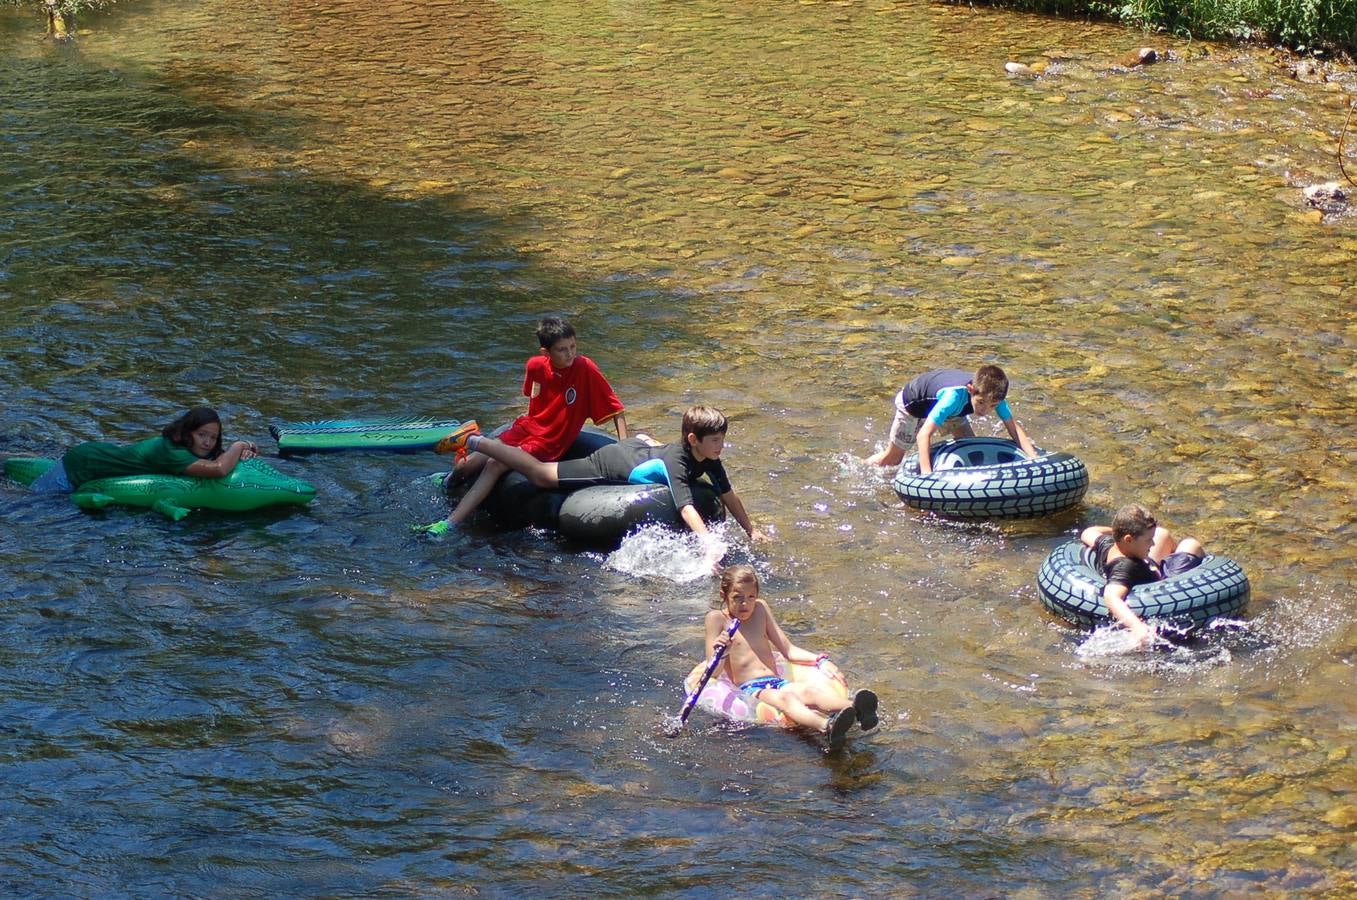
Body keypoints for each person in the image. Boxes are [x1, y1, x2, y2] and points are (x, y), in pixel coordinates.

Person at [431, 405, 769, 568]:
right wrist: (708, 542)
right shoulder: (678, 462)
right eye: (715, 441)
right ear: (694, 440)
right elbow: (684, 505)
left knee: (645, 447)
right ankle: (474, 441)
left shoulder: (709, 457)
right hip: (611, 462)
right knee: (539, 475)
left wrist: (751, 531)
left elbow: (727, 492)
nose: (721, 446)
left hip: (641, 450)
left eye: (722, 439)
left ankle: (642, 438)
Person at [420, 316, 626, 535]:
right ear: (546, 353)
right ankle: (448, 481)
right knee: (467, 465)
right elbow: (535, 397)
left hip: (550, 442)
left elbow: (616, 408)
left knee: (494, 464)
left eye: (573, 346)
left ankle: (449, 524)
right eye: (562, 350)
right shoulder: (535, 366)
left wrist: (625, 445)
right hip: (526, 428)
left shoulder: (585, 368)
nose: (570, 354)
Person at [706, 564, 878, 750]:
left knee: (809, 693)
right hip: (751, 688)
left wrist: (821, 660)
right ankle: (826, 727)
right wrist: (722, 652)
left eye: (751, 597)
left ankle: (859, 709)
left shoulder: (760, 609)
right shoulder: (717, 619)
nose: (745, 604)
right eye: (737, 598)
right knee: (787, 700)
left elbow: (788, 650)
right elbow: (713, 673)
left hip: (776, 680)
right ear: (724, 596)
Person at [28, 406, 258, 493]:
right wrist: (239, 445)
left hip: (96, 455)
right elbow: (218, 469)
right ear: (188, 432)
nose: (208, 442)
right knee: (28, 496)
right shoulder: (172, 452)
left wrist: (247, 448)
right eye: (201, 435)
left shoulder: (184, 446)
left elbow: (217, 458)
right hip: (82, 464)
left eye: (214, 438)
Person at [867, 365, 1040, 474]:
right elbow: (923, 435)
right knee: (893, 460)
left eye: (992, 406)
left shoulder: (994, 397)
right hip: (913, 406)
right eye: (980, 403)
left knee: (972, 449)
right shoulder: (954, 397)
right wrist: (928, 477)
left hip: (951, 411)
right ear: (971, 389)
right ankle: (863, 466)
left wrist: (1035, 459)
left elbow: (1014, 428)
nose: (985, 410)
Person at [1079, 504, 1207, 647]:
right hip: (1163, 583)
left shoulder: (1108, 543)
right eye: (1148, 540)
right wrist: (1136, 627)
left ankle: (1173, 557)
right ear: (1128, 539)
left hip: (1149, 564)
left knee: (1162, 534)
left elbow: (1088, 532)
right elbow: (1111, 596)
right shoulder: (1125, 567)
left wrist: (1116, 532)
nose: (1152, 543)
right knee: (1191, 544)